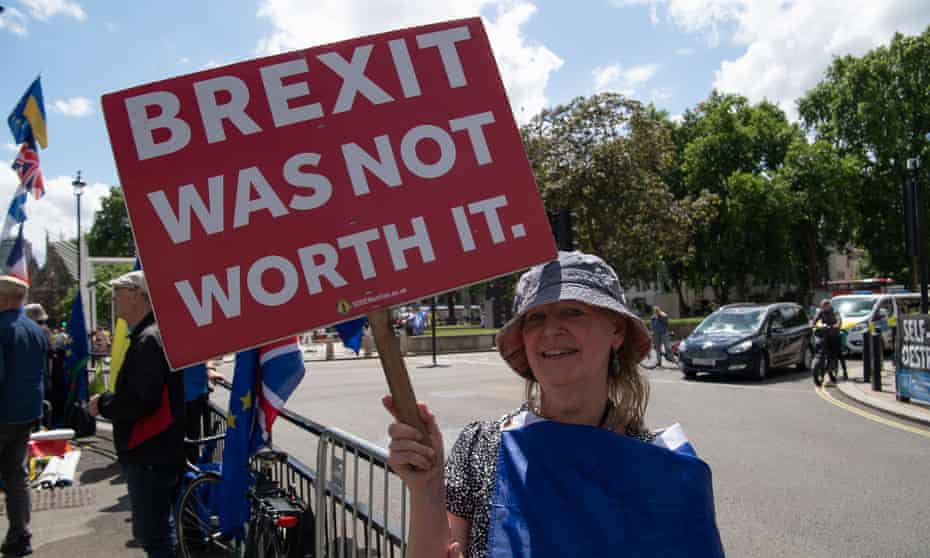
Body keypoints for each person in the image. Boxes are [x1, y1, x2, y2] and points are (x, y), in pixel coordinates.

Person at [384, 251, 723, 558]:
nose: (550, 330)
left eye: (572, 311)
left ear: (616, 330)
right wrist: (426, 487)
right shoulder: (481, 447)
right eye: (535, 318)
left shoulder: (665, 469)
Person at [88, 271, 185, 558]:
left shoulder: (148, 340)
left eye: (118, 292)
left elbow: (140, 400)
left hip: (150, 453)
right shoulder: (152, 335)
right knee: (156, 531)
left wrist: (103, 404)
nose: (113, 299)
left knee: (153, 536)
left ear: (135, 295)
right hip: (156, 451)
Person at [0, 278, 49, 557]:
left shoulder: (2, 328)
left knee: (14, 475)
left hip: (3, 411)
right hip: (26, 413)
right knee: (16, 476)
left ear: (5, 298)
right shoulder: (34, 329)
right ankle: (20, 535)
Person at [812, 298, 845, 380]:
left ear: (829, 305)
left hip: (834, 333)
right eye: (822, 306)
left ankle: (844, 370)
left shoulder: (834, 312)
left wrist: (837, 324)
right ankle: (820, 362)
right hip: (825, 333)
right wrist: (813, 324)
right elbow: (815, 318)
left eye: (825, 306)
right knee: (820, 345)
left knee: (838, 352)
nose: (824, 308)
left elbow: (839, 319)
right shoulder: (821, 312)